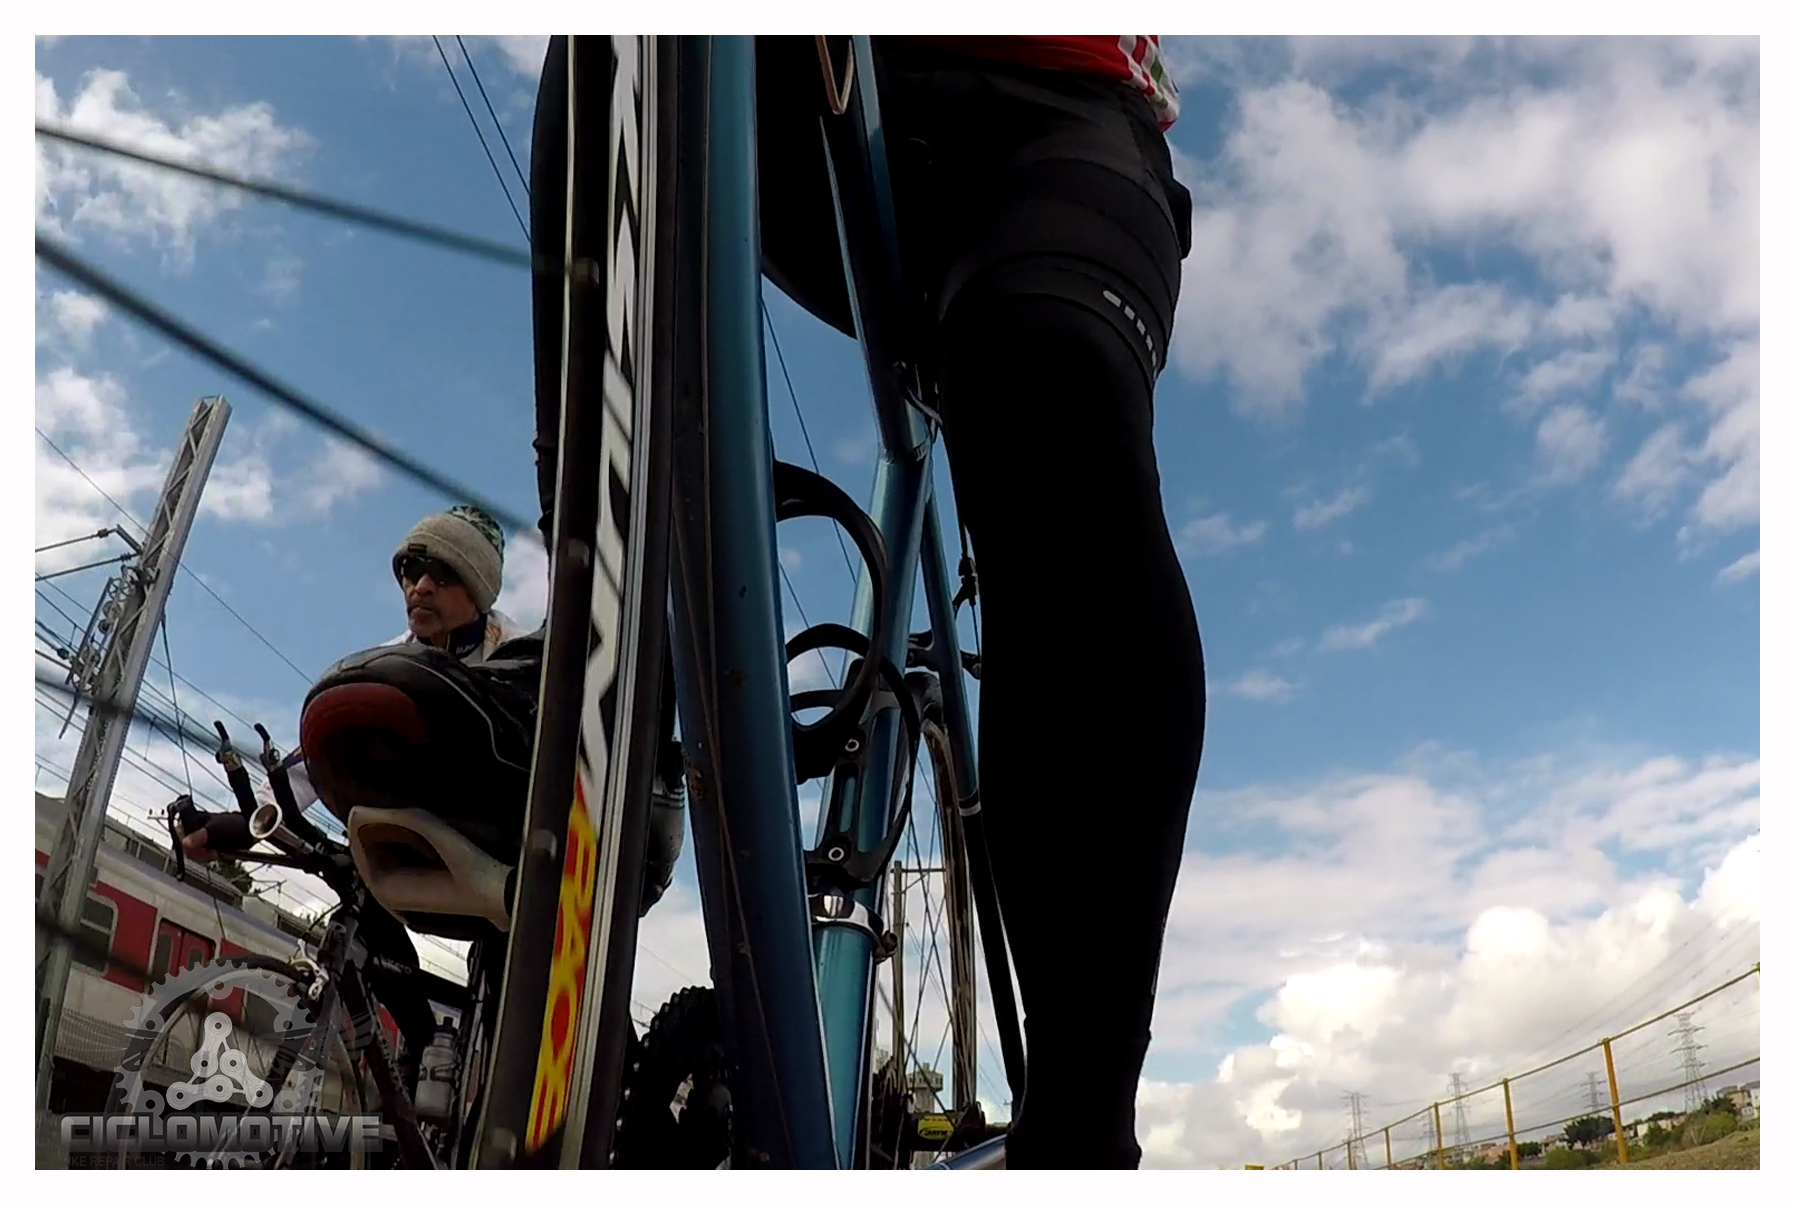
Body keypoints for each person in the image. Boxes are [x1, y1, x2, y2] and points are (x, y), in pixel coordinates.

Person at [526, 37, 1205, 1169]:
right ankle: (596, 636)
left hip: (1062, 108)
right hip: (797, 81)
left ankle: (1080, 1133)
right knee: (612, 43)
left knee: (1050, 384)